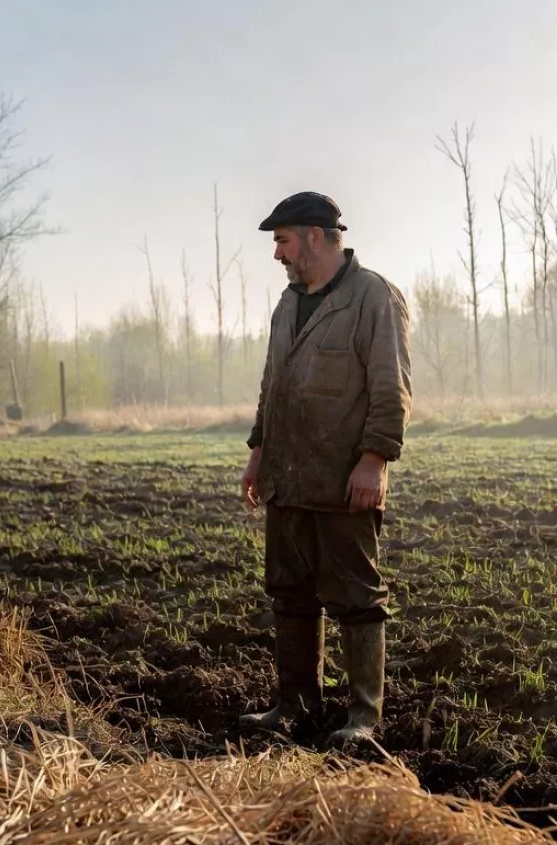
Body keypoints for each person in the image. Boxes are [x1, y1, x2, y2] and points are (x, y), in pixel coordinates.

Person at [239, 191, 412, 746]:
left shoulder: (372, 298)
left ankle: (364, 717)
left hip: (344, 482)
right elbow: (273, 386)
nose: (277, 255)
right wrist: (259, 450)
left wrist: (374, 460)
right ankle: (294, 706)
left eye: (282, 241)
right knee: (289, 594)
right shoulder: (288, 305)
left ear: (315, 236)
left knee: (357, 599)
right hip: (287, 479)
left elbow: (392, 387)